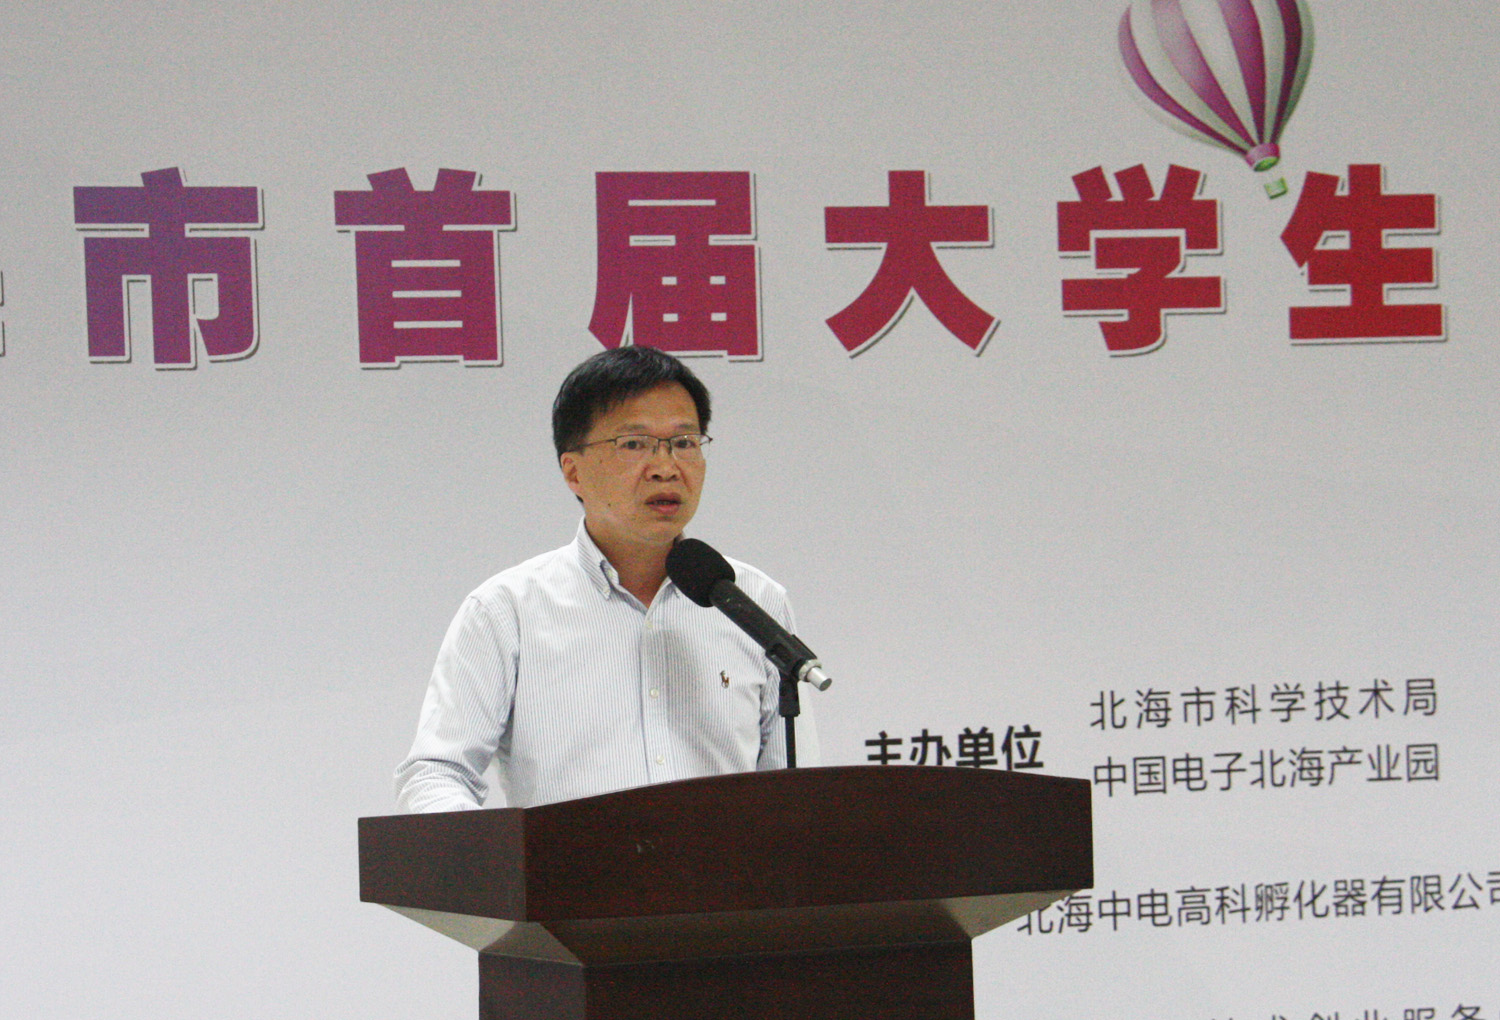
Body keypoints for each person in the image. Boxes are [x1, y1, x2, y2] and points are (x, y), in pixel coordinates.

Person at [394, 346, 816, 812]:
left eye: (684, 442)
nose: (666, 467)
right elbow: (437, 773)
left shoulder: (754, 601)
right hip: (567, 863)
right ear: (573, 471)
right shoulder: (507, 610)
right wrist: (487, 852)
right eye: (634, 444)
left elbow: (792, 788)